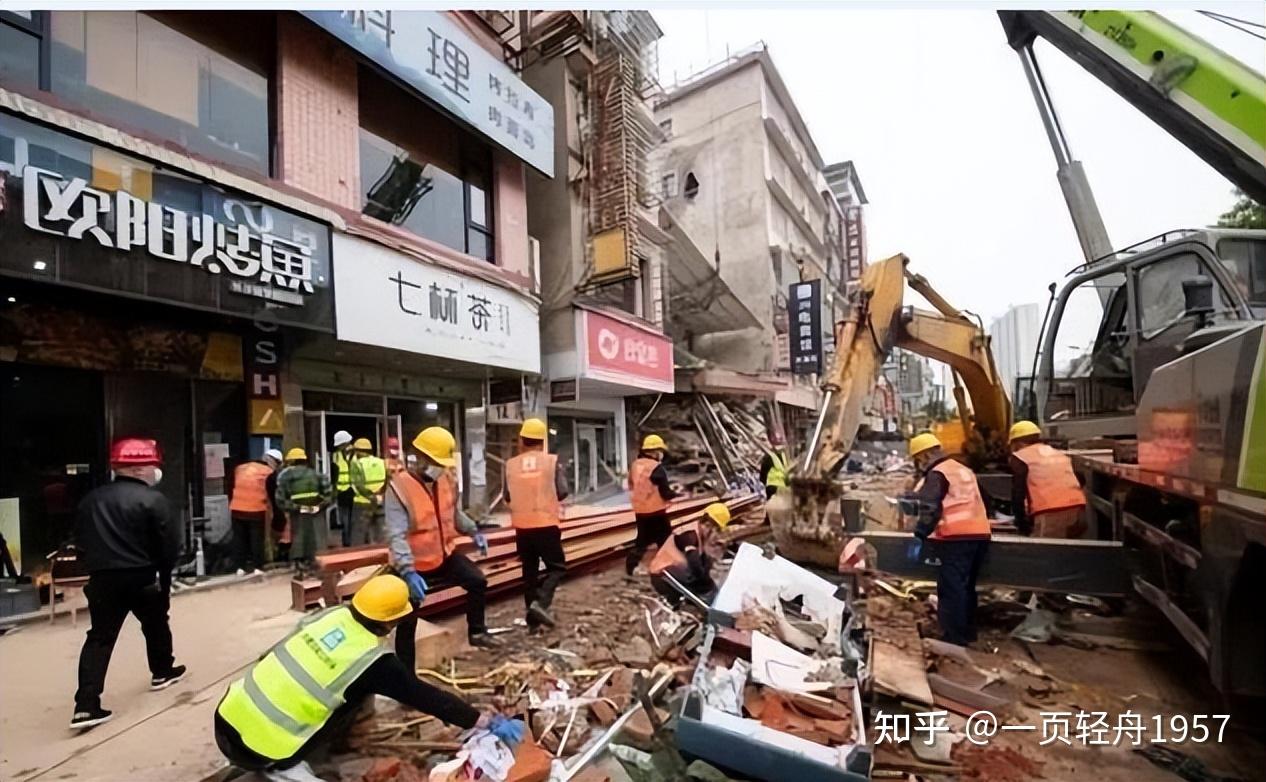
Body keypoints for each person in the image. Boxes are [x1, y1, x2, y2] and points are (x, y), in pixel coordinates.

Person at [214, 575, 523, 782]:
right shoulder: (372, 662)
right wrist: (481, 720)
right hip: (263, 749)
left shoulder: (328, 615)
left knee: (346, 691)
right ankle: (277, 769)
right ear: (391, 620)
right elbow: (426, 697)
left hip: (227, 716)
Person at [70, 437, 186, 730]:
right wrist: (165, 573)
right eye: (152, 465)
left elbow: (80, 542)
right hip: (143, 575)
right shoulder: (153, 500)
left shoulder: (90, 500)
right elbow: (168, 545)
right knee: (156, 622)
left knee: (99, 637)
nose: (155, 471)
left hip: (103, 579)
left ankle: (85, 706)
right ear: (137, 469)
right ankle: (162, 671)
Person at [386, 426, 497, 662]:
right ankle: (406, 672)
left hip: (444, 556)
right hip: (414, 566)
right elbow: (396, 535)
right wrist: (407, 571)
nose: (438, 466)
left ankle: (477, 632)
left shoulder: (446, 479)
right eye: (435, 461)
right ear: (421, 457)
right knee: (408, 617)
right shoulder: (399, 488)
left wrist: (473, 531)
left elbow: (453, 514)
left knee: (477, 581)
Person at [904, 432, 991, 647]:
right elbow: (982, 498)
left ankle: (954, 638)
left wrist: (920, 534)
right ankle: (968, 633)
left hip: (957, 537)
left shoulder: (937, 473)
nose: (918, 465)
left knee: (951, 588)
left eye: (917, 459)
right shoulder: (962, 469)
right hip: (980, 533)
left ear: (923, 456)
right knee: (966, 586)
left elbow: (930, 507)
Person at [504, 418, 569, 630]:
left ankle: (532, 624)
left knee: (529, 573)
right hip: (546, 525)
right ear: (542, 441)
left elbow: (507, 497)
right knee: (557, 568)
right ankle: (540, 605)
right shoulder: (551, 462)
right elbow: (562, 491)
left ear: (521, 440)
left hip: (522, 528)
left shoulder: (511, 466)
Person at [1008, 421, 1087, 539]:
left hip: (1050, 513)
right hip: (1079, 510)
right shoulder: (1057, 453)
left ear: (1017, 443)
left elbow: (1018, 492)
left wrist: (1021, 523)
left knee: (1043, 554)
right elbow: (1080, 478)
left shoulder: (1020, 457)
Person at [649, 502, 730, 606]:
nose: (716, 534)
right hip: (663, 576)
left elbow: (703, 561)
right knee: (697, 578)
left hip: (674, 573)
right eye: (717, 530)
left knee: (704, 572)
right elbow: (694, 562)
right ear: (709, 525)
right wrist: (705, 584)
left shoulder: (699, 535)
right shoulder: (690, 535)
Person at [275, 448, 332, 574]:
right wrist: (320, 506)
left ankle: (299, 564)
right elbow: (329, 494)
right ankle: (318, 564)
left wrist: (294, 507)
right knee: (317, 538)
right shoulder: (317, 475)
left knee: (299, 538)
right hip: (316, 512)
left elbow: (280, 499)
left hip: (297, 513)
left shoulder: (285, 477)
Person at [626, 434, 678, 576]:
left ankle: (631, 566)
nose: (661, 454)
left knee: (642, 541)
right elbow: (665, 492)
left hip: (640, 510)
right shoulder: (657, 468)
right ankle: (669, 565)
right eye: (660, 451)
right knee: (666, 538)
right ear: (654, 451)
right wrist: (678, 494)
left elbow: (631, 484)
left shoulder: (635, 465)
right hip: (656, 511)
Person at [229, 449, 282, 575]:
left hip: (236, 508)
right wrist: (278, 517)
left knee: (239, 538)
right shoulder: (269, 472)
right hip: (255, 508)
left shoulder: (240, 468)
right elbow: (274, 496)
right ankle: (257, 566)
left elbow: (231, 486)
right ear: (274, 462)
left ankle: (239, 567)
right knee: (256, 539)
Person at [348, 438, 387, 545]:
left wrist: (371, 497)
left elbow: (358, 484)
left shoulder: (356, 464)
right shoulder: (381, 462)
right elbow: (388, 480)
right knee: (381, 534)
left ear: (359, 451)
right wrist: (379, 495)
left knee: (359, 535)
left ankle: (359, 559)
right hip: (380, 502)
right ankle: (382, 558)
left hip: (362, 503)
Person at [330, 430, 355, 547]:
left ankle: (353, 541)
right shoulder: (335, 455)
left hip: (356, 490)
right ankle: (347, 542)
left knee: (354, 519)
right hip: (342, 491)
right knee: (345, 520)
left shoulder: (357, 453)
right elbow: (334, 474)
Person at [759, 432, 790, 500]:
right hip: (783, 488)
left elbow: (762, 478)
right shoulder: (785, 455)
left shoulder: (768, 458)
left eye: (764, 440)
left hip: (773, 488)